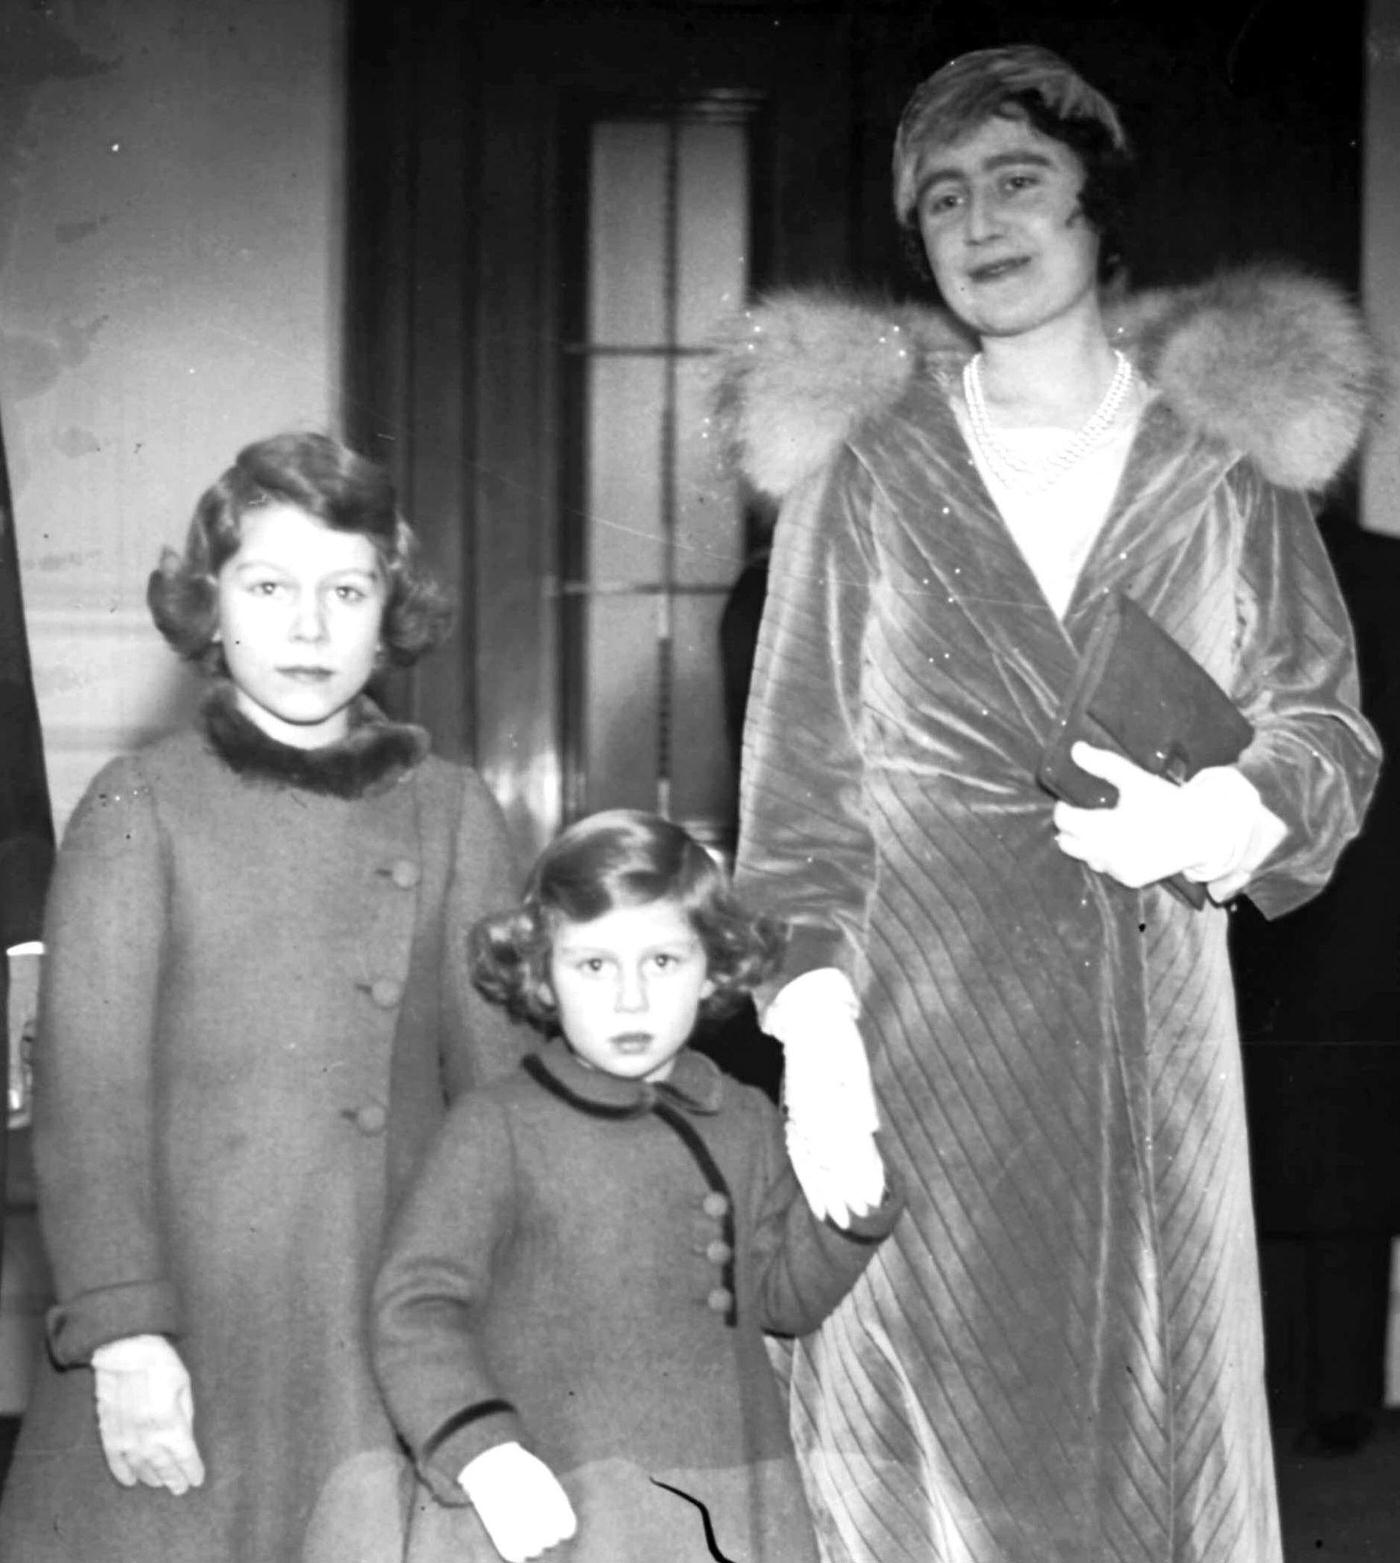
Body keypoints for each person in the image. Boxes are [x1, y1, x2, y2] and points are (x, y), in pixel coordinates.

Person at [714, 44, 1382, 1563]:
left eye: (1018, 179)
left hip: (1152, 1036)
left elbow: (1327, 727)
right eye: (941, 196)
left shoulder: (1221, 462)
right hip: (916, 1040)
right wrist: (817, 1042)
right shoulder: (866, 466)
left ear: (1098, 210)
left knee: (1145, 1460)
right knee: (921, 1471)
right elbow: (796, 789)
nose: (978, 220)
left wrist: (1227, 814)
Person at [0, 432, 528, 1561]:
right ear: (211, 606)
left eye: (346, 591)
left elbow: (502, 1109)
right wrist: (124, 1334)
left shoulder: (453, 811)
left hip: (384, 1321)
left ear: (392, 613)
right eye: (269, 587)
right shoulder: (140, 805)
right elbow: (86, 1099)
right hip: (190, 1321)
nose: (307, 627)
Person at [370, 809, 902, 1563]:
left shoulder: (742, 1118)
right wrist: (482, 1449)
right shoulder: (500, 1125)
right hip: (553, 1498)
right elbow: (415, 1309)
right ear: (541, 973)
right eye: (593, 965)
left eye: (661, 962)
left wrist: (848, 1205)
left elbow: (782, 1300)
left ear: (713, 968)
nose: (629, 998)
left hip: (727, 1499)